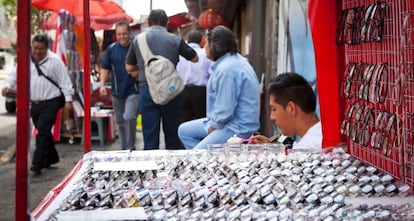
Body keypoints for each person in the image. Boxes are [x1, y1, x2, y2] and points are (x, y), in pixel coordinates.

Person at [125, 9, 198, 150]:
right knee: (172, 135)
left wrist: (144, 70)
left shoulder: (138, 40)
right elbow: (194, 58)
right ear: (167, 23)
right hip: (170, 90)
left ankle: (151, 170)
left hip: (147, 89)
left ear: (148, 22)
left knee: (150, 137)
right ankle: (172, 168)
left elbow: (129, 67)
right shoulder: (175, 39)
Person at [178, 25, 260, 149]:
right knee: (184, 130)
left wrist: (213, 127)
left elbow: (225, 109)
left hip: (235, 127)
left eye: (207, 44)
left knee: (195, 155)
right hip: (226, 122)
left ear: (215, 46)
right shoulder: (233, 62)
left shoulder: (227, 70)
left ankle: (205, 164)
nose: (204, 47)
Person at [1, 34, 73, 174]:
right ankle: (51, 157)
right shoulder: (25, 60)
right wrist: (7, 85)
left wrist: (68, 101)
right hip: (35, 103)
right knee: (43, 131)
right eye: (35, 48)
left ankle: (37, 163)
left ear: (47, 48)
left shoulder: (55, 61)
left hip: (51, 101)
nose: (38, 51)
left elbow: (64, 81)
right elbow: (13, 75)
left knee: (43, 131)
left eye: (41, 49)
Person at [250, 72, 322, 150]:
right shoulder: (321, 135)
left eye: (274, 109)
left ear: (291, 108)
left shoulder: (308, 148)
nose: (272, 117)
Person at [100, 21, 139, 150]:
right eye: (119, 34)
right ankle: (123, 149)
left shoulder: (135, 47)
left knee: (129, 117)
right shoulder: (111, 49)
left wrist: (137, 72)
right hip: (117, 91)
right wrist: (101, 85)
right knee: (120, 122)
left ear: (129, 33)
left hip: (133, 90)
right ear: (116, 35)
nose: (122, 36)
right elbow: (105, 68)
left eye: (124, 34)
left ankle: (130, 147)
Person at [176, 30, 212, 123]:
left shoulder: (180, 55)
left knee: (184, 122)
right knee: (202, 121)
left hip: (183, 91)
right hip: (201, 92)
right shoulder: (205, 54)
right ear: (201, 41)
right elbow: (211, 73)